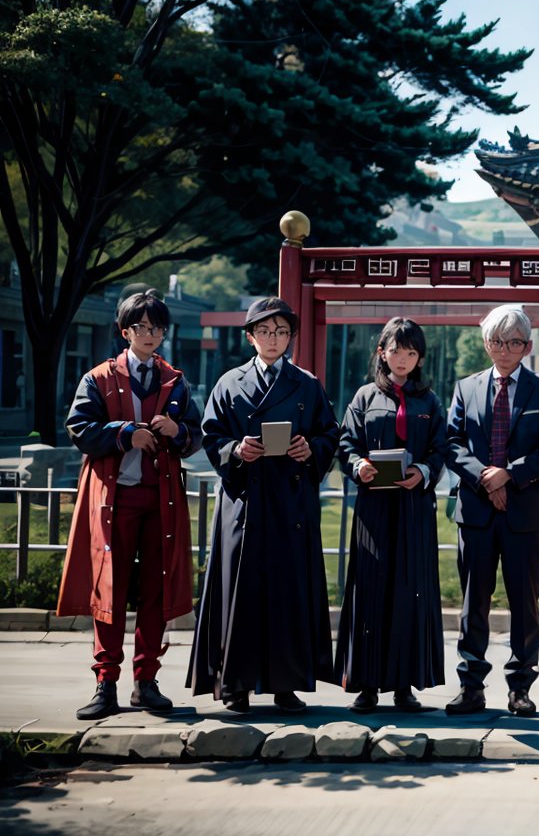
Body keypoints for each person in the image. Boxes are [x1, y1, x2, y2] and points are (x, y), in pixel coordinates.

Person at [188, 297, 340, 713]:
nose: (273, 339)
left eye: (281, 332)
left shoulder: (307, 383)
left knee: (288, 591)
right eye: (265, 331)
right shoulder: (228, 383)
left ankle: (285, 684)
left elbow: (330, 434)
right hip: (245, 501)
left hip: (290, 500)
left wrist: (310, 447)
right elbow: (211, 436)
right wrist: (237, 450)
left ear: (290, 337)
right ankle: (234, 683)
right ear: (250, 336)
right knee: (240, 589)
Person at [58, 290, 201, 720]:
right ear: (125, 331)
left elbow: (194, 437)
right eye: (142, 326)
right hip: (113, 497)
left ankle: (146, 681)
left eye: (157, 327)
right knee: (110, 589)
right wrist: (125, 433)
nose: (151, 334)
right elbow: (79, 428)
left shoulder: (175, 379)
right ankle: (106, 684)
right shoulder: (98, 378)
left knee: (156, 589)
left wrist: (176, 431)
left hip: (161, 500)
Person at [444, 305, 539, 716]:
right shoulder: (466, 388)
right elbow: (453, 444)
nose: (504, 349)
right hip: (477, 512)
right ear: (486, 343)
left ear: (527, 346)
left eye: (514, 342)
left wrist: (509, 476)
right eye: (497, 341)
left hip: (525, 512)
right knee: (473, 601)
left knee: (524, 602)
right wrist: (485, 476)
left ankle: (520, 686)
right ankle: (471, 685)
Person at [335, 317, 449, 713]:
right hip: (373, 510)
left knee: (410, 593)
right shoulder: (364, 397)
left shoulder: (430, 401)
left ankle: (404, 685)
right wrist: (357, 466)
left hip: (414, 508)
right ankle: (366, 684)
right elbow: (346, 444)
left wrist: (424, 472)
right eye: (395, 350)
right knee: (371, 591)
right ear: (381, 353)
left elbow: (440, 449)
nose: (402, 359)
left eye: (411, 352)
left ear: (419, 358)